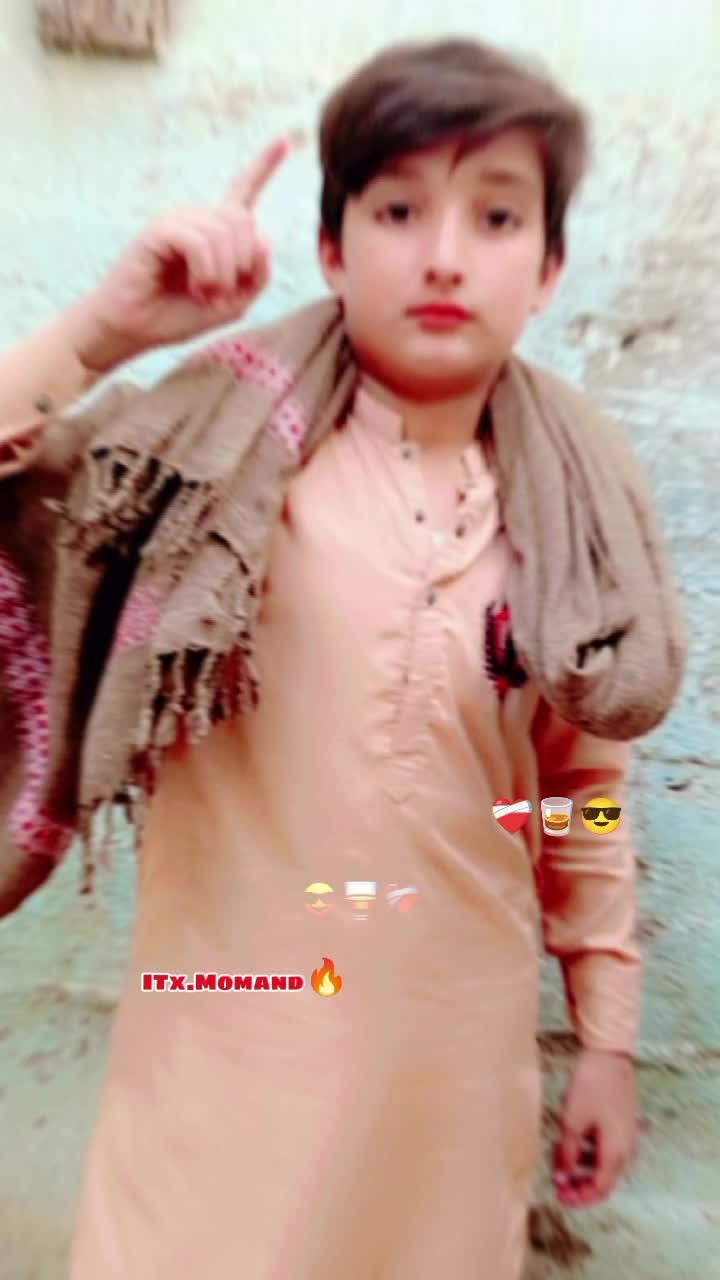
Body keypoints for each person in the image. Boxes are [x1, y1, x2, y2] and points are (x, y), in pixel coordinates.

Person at [0, 36, 676, 1280]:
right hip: (223, 1042)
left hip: (447, 1066)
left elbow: (576, 794)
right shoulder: (205, 463)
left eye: (496, 215)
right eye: (398, 209)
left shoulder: (576, 516)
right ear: (331, 246)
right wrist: (106, 329)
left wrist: (607, 1039)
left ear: (548, 267)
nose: (443, 254)